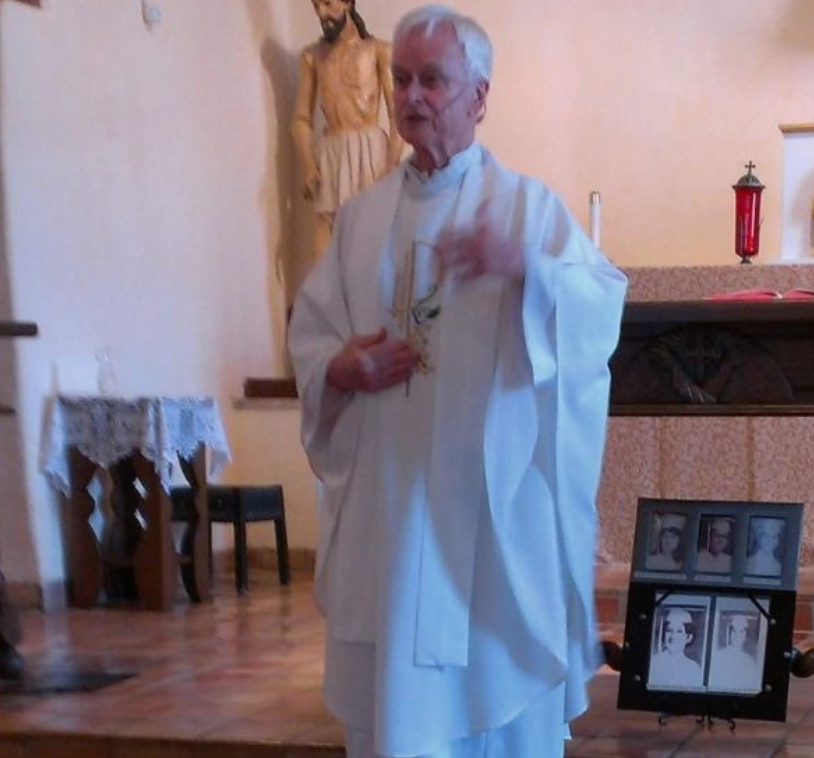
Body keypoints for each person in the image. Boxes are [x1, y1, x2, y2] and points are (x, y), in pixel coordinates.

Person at [287, 6, 628, 758]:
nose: (412, 96)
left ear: (478, 96)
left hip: (488, 510)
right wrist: (341, 370)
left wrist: (526, 269)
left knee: (495, 705)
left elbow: (599, 303)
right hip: (389, 506)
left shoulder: (525, 208)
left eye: (432, 80)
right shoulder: (360, 220)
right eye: (401, 79)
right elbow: (313, 335)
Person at [292, 0, 405, 265]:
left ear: (348, 3)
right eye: (315, 5)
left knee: (375, 236)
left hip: (371, 150)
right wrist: (308, 164)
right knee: (325, 234)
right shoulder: (312, 57)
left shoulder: (379, 51)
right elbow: (301, 117)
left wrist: (390, 165)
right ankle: (326, 303)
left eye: (328, 4)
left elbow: (397, 114)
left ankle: (373, 302)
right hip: (333, 149)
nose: (321, 13)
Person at [706, 612, 764, 694]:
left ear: (745, 636)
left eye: (741, 632)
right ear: (730, 633)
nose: (737, 635)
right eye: (734, 631)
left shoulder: (748, 661)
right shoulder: (719, 656)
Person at [647, 608, 704, 691]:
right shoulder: (653, 662)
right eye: (669, 630)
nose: (673, 636)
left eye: (679, 631)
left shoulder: (693, 668)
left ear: (688, 637)